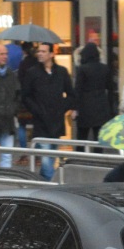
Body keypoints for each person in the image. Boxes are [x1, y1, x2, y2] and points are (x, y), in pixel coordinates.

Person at [20, 42, 75, 181]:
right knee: (46, 159)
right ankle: (51, 185)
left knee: (51, 156)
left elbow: (71, 94)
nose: (40, 54)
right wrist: (36, 110)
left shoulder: (61, 72)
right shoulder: (32, 73)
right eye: (39, 51)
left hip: (56, 121)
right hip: (40, 121)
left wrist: (62, 107)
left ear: (51, 54)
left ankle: (44, 183)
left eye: (44, 51)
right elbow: (25, 96)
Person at [73, 42, 112, 144]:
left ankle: (81, 158)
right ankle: (97, 157)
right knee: (98, 139)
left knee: (82, 137)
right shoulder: (105, 68)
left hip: (85, 107)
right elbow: (110, 88)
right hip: (101, 106)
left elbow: (78, 90)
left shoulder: (82, 69)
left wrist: (74, 108)